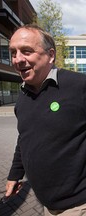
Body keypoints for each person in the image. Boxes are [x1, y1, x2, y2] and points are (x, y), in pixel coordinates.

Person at [6, 24, 86, 215]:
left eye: (26, 51)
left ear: (50, 55)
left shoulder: (79, 85)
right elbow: (24, 137)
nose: (17, 59)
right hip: (47, 205)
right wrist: (15, 174)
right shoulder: (23, 96)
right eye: (13, 53)